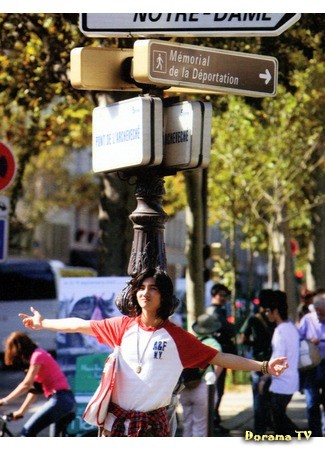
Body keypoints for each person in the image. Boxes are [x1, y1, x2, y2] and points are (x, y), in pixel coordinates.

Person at [18, 267, 289, 437]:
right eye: (142, 288)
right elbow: (79, 325)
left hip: (152, 427)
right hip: (115, 425)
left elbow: (221, 358)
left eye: (153, 288)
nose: (145, 293)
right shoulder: (121, 326)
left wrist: (263, 366)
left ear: (164, 297)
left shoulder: (177, 337)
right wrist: (44, 323)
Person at [0, 331, 76, 437]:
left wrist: (4, 400)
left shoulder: (37, 356)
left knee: (27, 432)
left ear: (19, 349)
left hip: (59, 400)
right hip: (66, 400)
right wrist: (21, 411)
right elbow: (34, 390)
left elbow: (26, 385)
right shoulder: (39, 354)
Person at [263, 290, 300, 436]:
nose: (266, 314)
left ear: (275, 311)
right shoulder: (292, 328)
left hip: (280, 382)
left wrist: (264, 377)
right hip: (291, 380)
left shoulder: (279, 331)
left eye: (268, 310)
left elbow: (277, 358)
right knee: (280, 419)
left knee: (278, 421)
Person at [179, 313, 222, 437]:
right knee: (201, 426)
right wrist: (214, 379)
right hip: (203, 387)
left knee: (187, 423)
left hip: (185, 387)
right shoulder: (212, 342)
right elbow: (220, 364)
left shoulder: (190, 341)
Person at [239, 289, 276, 434]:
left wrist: (254, 343)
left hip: (257, 362)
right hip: (274, 361)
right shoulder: (274, 318)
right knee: (271, 397)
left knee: (258, 397)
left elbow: (242, 339)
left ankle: (259, 429)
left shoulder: (253, 319)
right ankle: (271, 424)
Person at [206, 282, 237, 434]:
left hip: (218, 354)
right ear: (214, 295)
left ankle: (214, 419)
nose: (224, 298)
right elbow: (229, 329)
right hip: (218, 356)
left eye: (225, 296)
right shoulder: (215, 312)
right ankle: (213, 421)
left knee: (217, 389)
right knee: (216, 389)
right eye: (221, 295)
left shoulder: (216, 310)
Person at [297, 292, 325, 436]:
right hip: (311, 365)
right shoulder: (307, 320)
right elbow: (298, 339)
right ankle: (315, 434)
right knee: (312, 402)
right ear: (315, 310)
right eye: (320, 314)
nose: (322, 318)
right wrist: (308, 341)